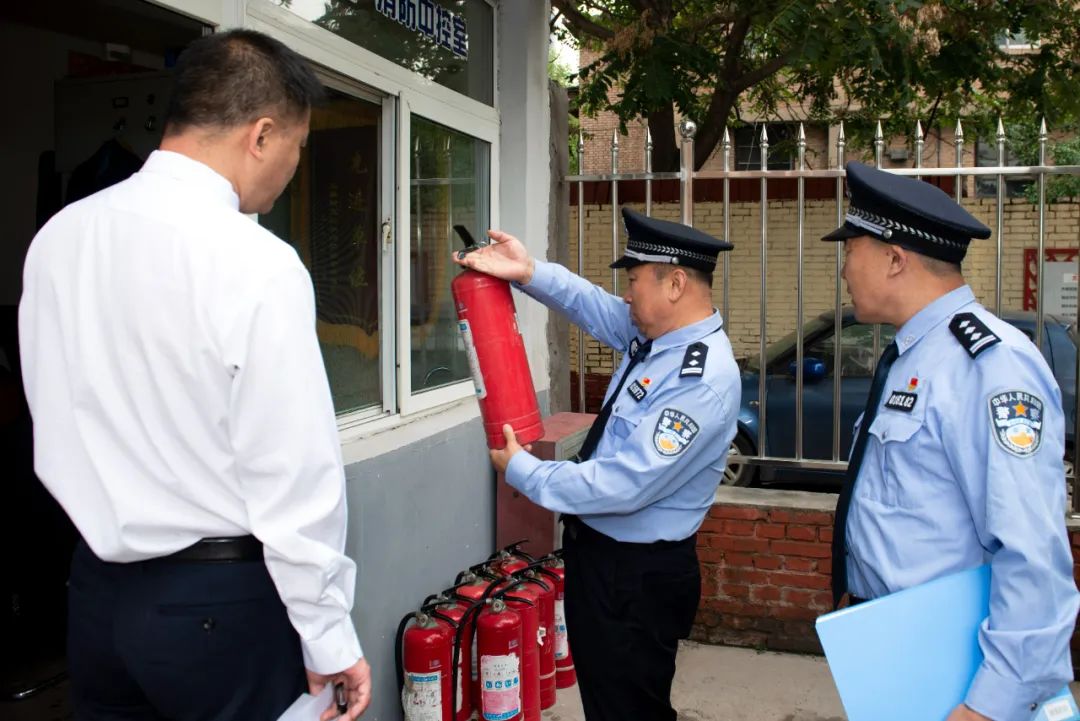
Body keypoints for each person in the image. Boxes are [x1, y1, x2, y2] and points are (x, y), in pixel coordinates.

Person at [19, 30, 371, 721]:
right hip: (220, 606)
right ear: (262, 135)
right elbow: (293, 476)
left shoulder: (60, 239)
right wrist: (327, 632)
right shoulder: (256, 263)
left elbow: (53, 407)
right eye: (299, 147)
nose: (292, 168)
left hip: (96, 596)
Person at [453, 208, 739, 721]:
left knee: (629, 710)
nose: (626, 294)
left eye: (633, 280)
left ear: (675, 283)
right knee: (609, 704)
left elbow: (626, 483)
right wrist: (527, 271)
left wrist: (524, 470)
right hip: (603, 562)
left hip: (637, 578)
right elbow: (587, 303)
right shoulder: (655, 339)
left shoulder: (701, 378)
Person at [824, 161, 1079, 721]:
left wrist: (988, 707)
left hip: (957, 681)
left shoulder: (991, 366)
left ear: (895, 258)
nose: (843, 268)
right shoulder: (912, 356)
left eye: (852, 248)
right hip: (897, 650)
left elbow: (1032, 555)